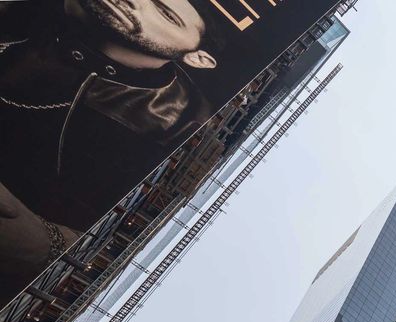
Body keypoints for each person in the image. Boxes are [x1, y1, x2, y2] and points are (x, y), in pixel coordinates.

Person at [0, 0, 226, 300]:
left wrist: (49, 244)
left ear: (198, 58)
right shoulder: (33, 13)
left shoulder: (180, 128)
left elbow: (138, 250)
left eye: (165, 12)